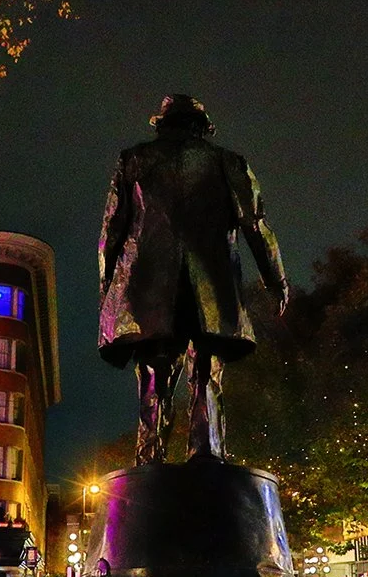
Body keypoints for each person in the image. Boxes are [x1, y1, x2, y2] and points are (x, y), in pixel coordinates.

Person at [96, 94, 290, 462]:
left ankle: (149, 456)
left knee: (154, 375)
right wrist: (276, 278)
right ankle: (207, 450)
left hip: (148, 291)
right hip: (210, 289)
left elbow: (112, 232)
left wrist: (108, 293)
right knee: (206, 370)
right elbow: (255, 224)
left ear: (163, 125)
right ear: (202, 127)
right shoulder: (227, 162)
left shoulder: (134, 159)